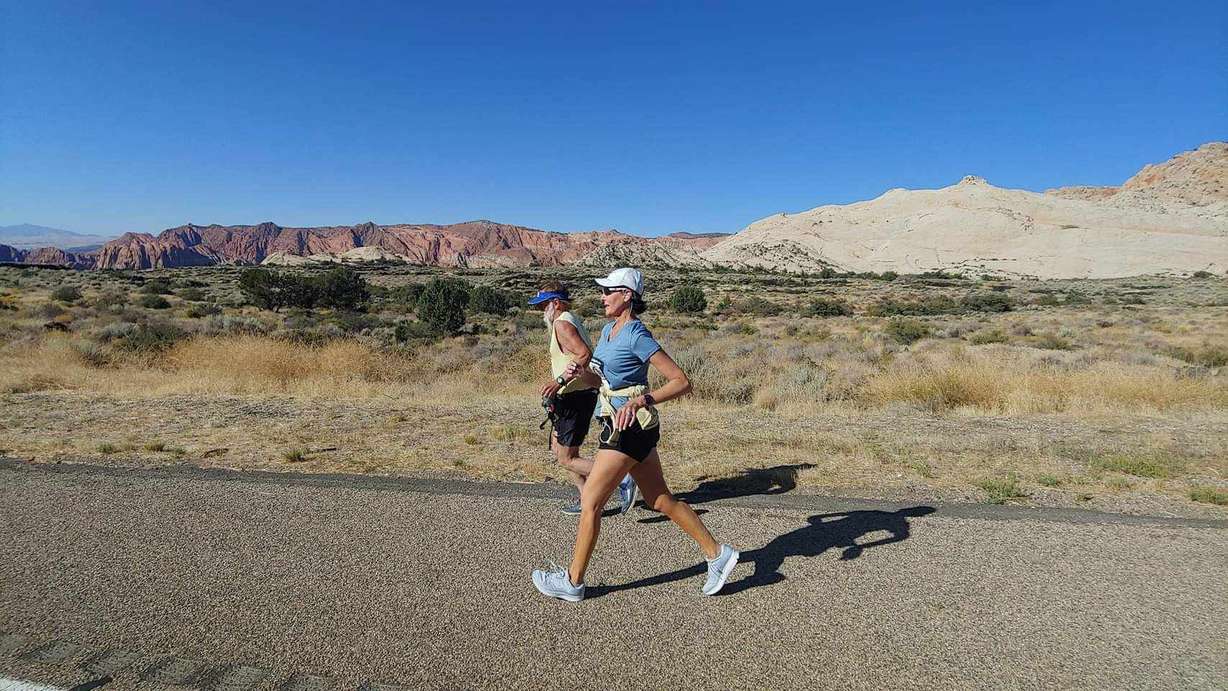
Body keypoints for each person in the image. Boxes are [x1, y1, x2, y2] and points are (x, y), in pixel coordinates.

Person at [531, 268, 739, 601]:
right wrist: (577, 374)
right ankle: (718, 554)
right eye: (602, 291)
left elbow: (681, 381)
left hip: (627, 428)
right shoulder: (609, 331)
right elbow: (601, 382)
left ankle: (573, 582)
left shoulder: (636, 334)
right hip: (624, 425)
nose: (602, 297)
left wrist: (641, 399)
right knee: (660, 500)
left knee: (591, 503)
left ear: (628, 295)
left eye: (609, 291)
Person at [528, 282, 637, 516]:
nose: (540, 311)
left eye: (543, 305)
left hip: (575, 396)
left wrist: (558, 382)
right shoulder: (568, 319)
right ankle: (586, 498)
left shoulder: (562, 324)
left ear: (555, 303)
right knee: (560, 451)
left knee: (568, 458)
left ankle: (621, 477)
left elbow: (584, 354)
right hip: (570, 396)